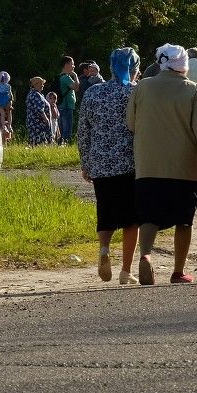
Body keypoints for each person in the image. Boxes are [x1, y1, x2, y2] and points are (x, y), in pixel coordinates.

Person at [126, 44, 197, 285]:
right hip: (183, 167)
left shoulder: (143, 87)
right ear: (184, 65)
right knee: (184, 219)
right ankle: (178, 271)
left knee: (148, 216)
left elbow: (130, 122)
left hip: (148, 165)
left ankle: (145, 254)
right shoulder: (194, 90)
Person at [75, 47, 141, 285]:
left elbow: (83, 130)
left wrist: (86, 162)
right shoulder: (136, 93)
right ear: (134, 69)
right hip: (131, 163)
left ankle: (104, 250)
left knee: (105, 212)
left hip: (101, 162)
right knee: (132, 219)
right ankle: (126, 270)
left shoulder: (94, 92)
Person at [25, 76, 55, 145]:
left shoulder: (37, 94)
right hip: (38, 124)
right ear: (35, 84)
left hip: (38, 123)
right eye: (41, 83)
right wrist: (46, 120)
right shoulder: (35, 95)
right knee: (39, 142)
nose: (43, 85)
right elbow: (39, 109)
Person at [56, 55, 78, 146]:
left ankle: (60, 145)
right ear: (66, 65)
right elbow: (76, 88)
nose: (74, 66)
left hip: (61, 106)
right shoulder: (66, 77)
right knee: (66, 129)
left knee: (61, 128)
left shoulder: (60, 76)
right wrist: (75, 76)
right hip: (66, 106)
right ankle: (65, 145)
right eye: (72, 64)